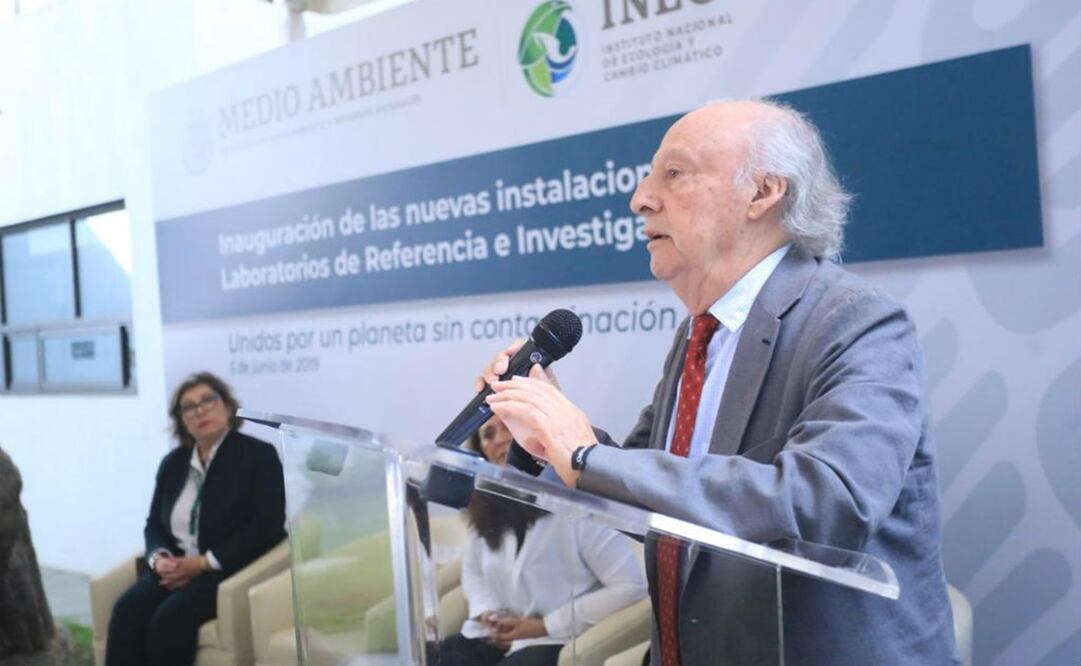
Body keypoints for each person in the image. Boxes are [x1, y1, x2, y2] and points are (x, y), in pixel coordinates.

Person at [481, 100, 959, 665]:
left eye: (674, 174)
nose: (640, 198)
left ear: (762, 193)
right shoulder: (698, 333)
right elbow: (647, 491)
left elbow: (830, 503)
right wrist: (548, 435)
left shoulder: (857, 321)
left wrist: (584, 453)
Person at [436, 415, 648, 666]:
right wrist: (488, 613)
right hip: (498, 636)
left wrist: (542, 626)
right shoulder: (483, 507)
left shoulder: (580, 505)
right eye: (488, 434)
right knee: (436, 657)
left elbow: (630, 586)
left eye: (508, 427)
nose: (500, 439)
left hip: (558, 639)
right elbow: (473, 572)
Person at [106, 372, 286, 666]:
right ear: (182, 421)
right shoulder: (173, 463)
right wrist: (158, 558)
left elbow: (268, 526)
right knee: (127, 609)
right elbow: (154, 524)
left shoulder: (258, 456)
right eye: (189, 407)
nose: (200, 410)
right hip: (174, 565)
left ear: (227, 407)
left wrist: (203, 563)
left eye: (208, 400)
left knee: (170, 617)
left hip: (224, 568)